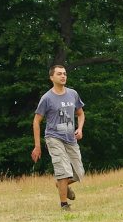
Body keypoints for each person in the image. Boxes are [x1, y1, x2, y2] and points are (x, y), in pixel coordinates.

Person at [31, 65, 86, 211]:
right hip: (54, 137)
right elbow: (36, 121)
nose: (63, 76)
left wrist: (80, 128)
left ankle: (60, 184)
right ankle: (64, 205)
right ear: (52, 77)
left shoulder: (73, 94)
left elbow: (81, 114)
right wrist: (37, 146)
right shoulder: (47, 98)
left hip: (71, 139)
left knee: (79, 173)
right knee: (63, 170)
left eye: (65, 74)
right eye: (59, 74)